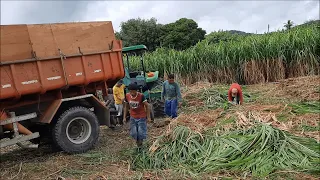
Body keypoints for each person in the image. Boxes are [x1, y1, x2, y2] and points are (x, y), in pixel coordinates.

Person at [123, 83, 151, 149]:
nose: (132, 93)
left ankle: (140, 146)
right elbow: (126, 107)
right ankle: (138, 143)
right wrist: (124, 117)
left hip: (141, 117)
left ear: (137, 90)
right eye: (130, 91)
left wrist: (148, 117)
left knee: (141, 133)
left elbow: (148, 106)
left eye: (133, 91)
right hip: (133, 117)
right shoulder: (127, 96)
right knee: (134, 133)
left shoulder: (141, 96)